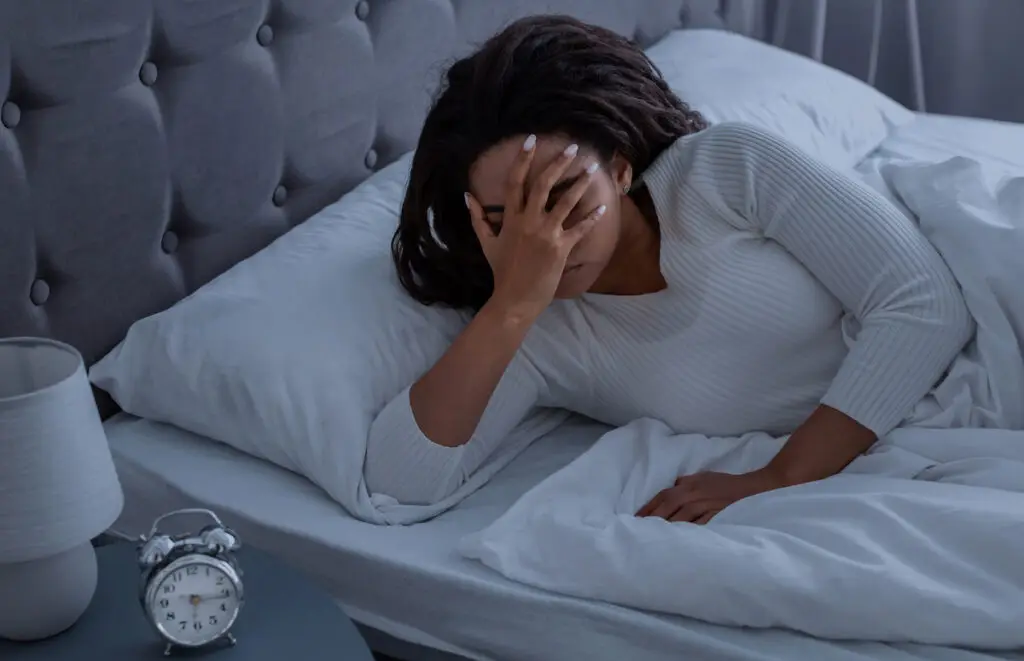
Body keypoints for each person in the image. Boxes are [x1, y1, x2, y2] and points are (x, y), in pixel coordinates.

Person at [364, 15, 974, 522]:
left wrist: (782, 475)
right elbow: (398, 485)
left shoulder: (724, 169)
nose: (545, 239)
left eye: (564, 195)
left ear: (619, 169)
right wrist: (511, 308)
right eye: (505, 219)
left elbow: (926, 303)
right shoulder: (541, 341)